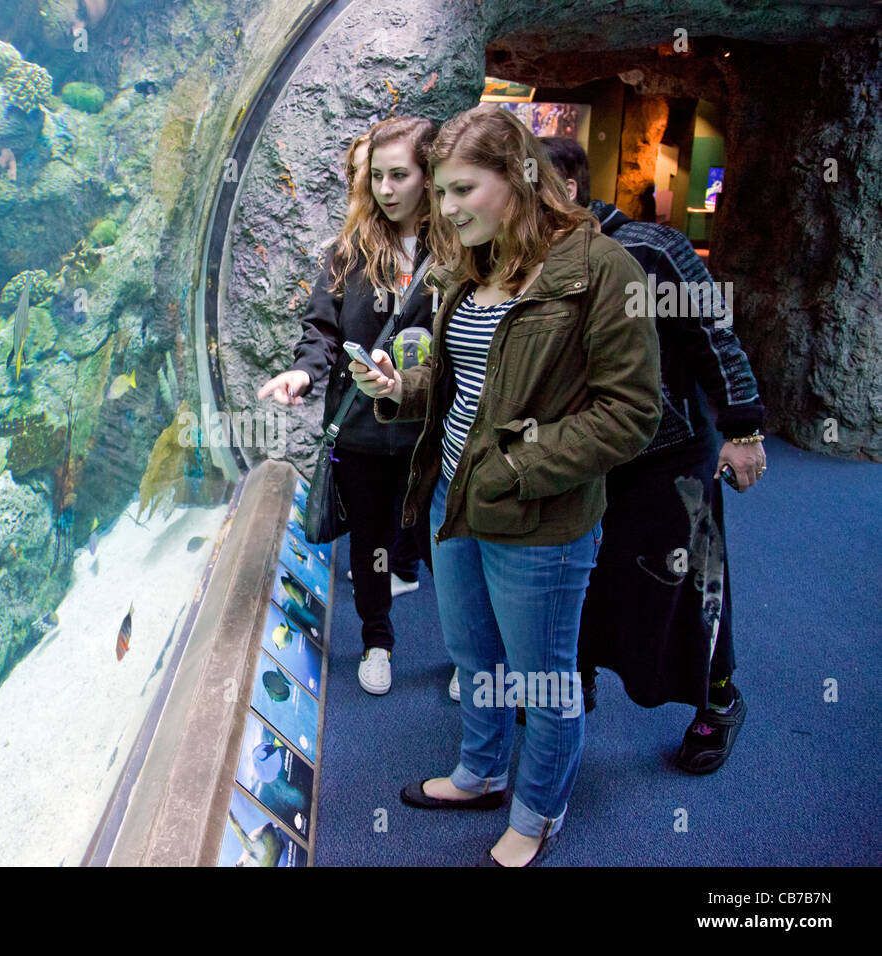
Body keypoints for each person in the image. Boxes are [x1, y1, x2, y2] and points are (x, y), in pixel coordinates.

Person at [352, 104, 661, 865]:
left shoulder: (601, 269)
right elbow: (466, 389)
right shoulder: (477, 263)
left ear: (521, 179)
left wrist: (518, 468)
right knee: (472, 656)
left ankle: (536, 814)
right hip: (457, 502)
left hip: (540, 521)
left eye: (463, 191)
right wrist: (401, 387)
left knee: (544, 681)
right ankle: (482, 773)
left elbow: (632, 413)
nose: (448, 210)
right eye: (443, 194)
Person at [542, 136, 766, 773]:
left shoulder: (652, 248)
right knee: (581, 579)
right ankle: (574, 685)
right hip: (584, 461)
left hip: (669, 458)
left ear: (564, 187)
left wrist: (744, 429)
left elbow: (714, 338)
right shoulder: (530, 260)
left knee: (690, 582)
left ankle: (719, 701)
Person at [258, 117, 441, 696]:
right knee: (373, 543)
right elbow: (322, 329)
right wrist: (303, 373)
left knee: (449, 542)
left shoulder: (461, 248)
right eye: (378, 177)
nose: (386, 189)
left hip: (437, 430)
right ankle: (377, 641)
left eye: (400, 175)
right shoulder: (352, 249)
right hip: (364, 430)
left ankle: (470, 656)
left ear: (428, 174)